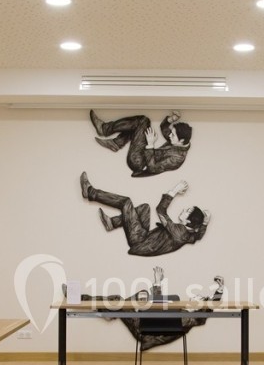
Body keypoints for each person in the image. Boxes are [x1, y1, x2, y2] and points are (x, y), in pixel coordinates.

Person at [80, 171, 209, 257]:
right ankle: (112, 223)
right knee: (144, 208)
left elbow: (160, 210)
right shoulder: (189, 235)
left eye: (187, 211)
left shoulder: (179, 232)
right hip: (146, 238)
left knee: (126, 202)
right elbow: (198, 237)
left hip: (140, 242)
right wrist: (205, 223)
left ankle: (90, 192)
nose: (183, 210)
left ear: (188, 222)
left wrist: (174, 190)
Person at [89, 110, 191, 177]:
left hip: (139, 164)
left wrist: (150, 144)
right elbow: (164, 128)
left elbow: (153, 168)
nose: (170, 136)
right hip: (145, 154)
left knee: (141, 121)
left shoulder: (177, 159)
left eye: (173, 135)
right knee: (143, 122)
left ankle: (105, 130)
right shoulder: (178, 141)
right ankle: (115, 143)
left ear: (181, 140)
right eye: (172, 134)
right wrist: (171, 120)